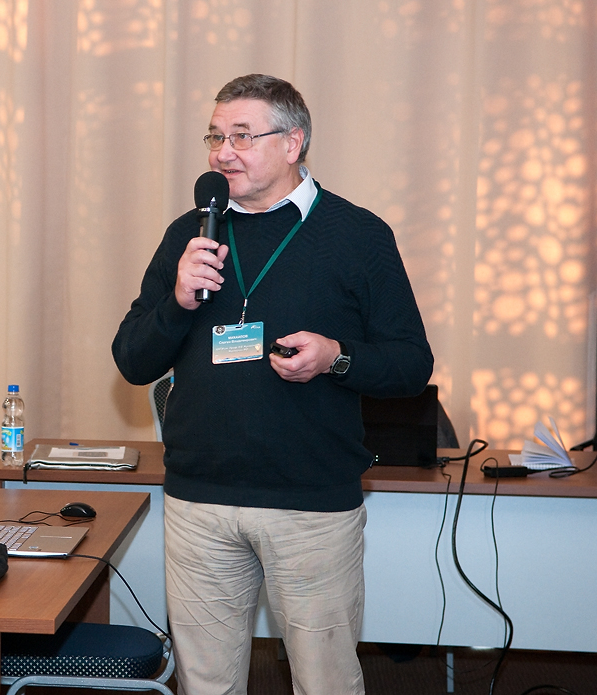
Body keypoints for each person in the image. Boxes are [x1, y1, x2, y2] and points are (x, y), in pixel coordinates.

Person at [111, 74, 433, 695]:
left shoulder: (357, 235)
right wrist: (178, 301)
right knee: (206, 683)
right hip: (200, 502)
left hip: (310, 504)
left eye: (241, 136)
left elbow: (410, 364)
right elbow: (132, 359)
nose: (222, 153)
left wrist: (336, 357)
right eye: (215, 137)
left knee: (324, 682)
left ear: (293, 142)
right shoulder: (189, 235)